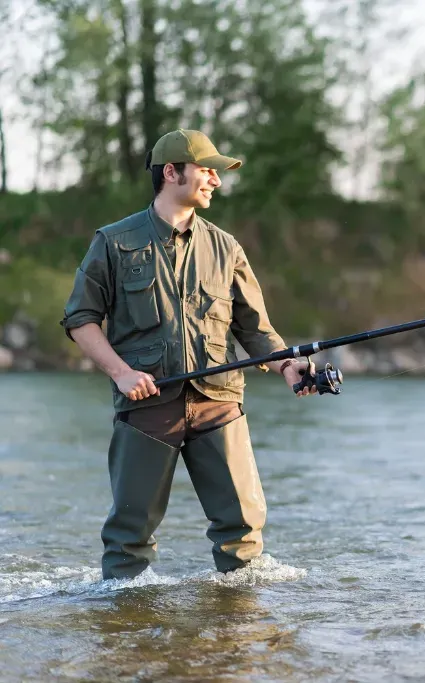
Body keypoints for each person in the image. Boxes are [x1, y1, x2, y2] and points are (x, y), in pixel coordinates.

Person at [60, 128, 314, 580]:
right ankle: (127, 632)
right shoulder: (114, 243)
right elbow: (80, 319)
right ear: (172, 172)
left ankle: (239, 633)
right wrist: (120, 373)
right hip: (148, 408)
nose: (216, 180)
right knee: (128, 540)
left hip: (219, 404)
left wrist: (287, 365)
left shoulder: (226, 247)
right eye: (207, 170)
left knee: (244, 531)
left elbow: (255, 330)